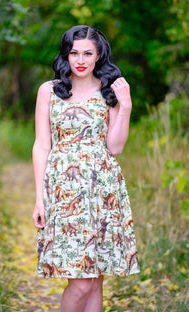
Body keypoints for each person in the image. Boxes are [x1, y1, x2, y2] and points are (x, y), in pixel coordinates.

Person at [32, 25, 139, 312]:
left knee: (95, 277)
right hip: (64, 192)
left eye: (88, 53)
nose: (80, 59)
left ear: (98, 55)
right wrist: (39, 199)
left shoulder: (109, 91)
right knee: (80, 281)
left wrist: (125, 106)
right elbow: (42, 145)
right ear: (65, 55)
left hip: (103, 190)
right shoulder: (50, 91)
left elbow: (115, 147)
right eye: (74, 53)